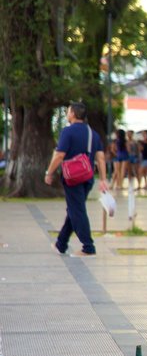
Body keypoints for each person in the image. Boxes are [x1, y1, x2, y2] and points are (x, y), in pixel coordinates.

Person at [45, 102, 109, 256]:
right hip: (87, 177)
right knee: (74, 210)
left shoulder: (68, 132)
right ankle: (61, 244)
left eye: (68, 111)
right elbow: (100, 158)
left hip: (72, 178)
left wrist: (49, 172)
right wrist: (103, 179)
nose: (67, 114)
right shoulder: (93, 133)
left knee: (77, 210)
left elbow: (60, 155)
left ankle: (88, 247)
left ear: (73, 113)